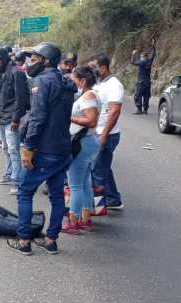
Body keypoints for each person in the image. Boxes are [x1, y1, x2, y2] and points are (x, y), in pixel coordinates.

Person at [7, 42, 76, 256]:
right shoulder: (65, 82)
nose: (30, 62)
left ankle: (24, 241)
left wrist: (29, 147)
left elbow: (37, 117)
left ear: (47, 61)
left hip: (45, 150)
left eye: (35, 59)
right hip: (63, 149)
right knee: (56, 195)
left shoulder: (41, 82)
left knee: (25, 192)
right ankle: (50, 240)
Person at [62, 66, 101, 234]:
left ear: (83, 81)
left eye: (74, 80)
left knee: (75, 185)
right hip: (88, 142)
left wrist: (69, 117)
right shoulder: (90, 95)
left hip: (82, 143)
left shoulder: (88, 96)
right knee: (85, 184)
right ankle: (86, 219)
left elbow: (91, 121)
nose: (72, 83)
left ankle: (73, 222)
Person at [0, 47, 30, 195]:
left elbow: (21, 98)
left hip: (11, 118)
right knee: (5, 149)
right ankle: (9, 174)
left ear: (4, 59)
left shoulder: (17, 72)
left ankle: (17, 181)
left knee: (13, 150)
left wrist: (16, 118)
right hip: (1, 116)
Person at [89, 53, 124, 209]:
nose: (91, 70)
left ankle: (96, 208)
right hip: (98, 132)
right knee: (103, 167)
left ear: (103, 68)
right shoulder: (99, 83)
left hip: (107, 134)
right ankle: (113, 199)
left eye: (93, 67)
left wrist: (103, 135)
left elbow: (114, 111)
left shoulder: (114, 85)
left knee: (97, 172)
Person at [131, 47, 155, 115]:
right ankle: (145, 110)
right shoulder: (149, 61)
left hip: (141, 82)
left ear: (144, 57)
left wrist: (133, 54)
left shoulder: (142, 62)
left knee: (137, 95)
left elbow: (133, 62)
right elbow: (153, 55)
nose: (140, 58)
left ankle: (139, 109)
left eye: (141, 56)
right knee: (146, 96)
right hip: (148, 82)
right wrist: (153, 47)